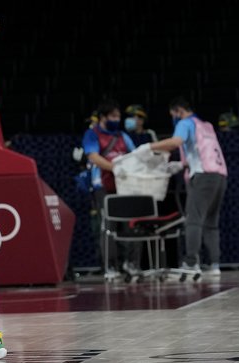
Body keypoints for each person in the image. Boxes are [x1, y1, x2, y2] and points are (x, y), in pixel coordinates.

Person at [140, 96, 227, 277]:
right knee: (211, 222)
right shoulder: (206, 126)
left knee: (194, 220)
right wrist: (182, 164)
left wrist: (148, 147)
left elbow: (175, 142)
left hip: (203, 177)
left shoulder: (185, 123)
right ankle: (214, 264)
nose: (173, 118)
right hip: (220, 176)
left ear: (178, 111)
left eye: (173, 114)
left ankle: (191, 263)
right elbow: (203, 152)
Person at [82, 99, 138, 280]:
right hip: (103, 187)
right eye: (113, 116)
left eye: (118, 116)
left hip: (124, 186)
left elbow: (135, 155)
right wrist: (115, 168)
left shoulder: (122, 135)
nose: (117, 119)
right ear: (103, 117)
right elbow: (93, 157)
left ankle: (130, 264)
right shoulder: (92, 134)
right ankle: (110, 266)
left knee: (129, 226)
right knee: (108, 227)